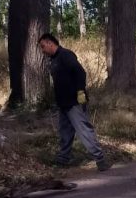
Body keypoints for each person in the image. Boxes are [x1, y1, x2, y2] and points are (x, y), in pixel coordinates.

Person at [38, 33, 109, 171]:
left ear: (50, 43)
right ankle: (63, 159)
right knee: (65, 132)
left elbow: (80, 72)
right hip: (63, 103)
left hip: (74, 101)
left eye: (43, 47)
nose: (42, 50)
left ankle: (100, 159)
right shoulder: (53, 60)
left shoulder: (66, 55)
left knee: (84, 130)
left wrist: (80, 91)